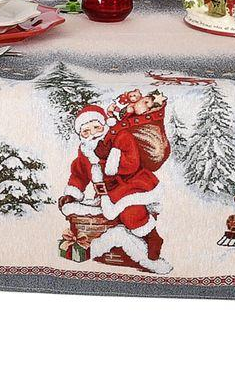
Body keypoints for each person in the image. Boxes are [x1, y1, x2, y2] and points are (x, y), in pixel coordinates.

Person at [58, 104, 172, 274]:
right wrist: (72, 194)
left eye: (96, 127)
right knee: (107, 212)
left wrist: (106, 157)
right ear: (81, 135)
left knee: (131, 211)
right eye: (86, 131)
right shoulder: (85, 152)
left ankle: (151, 236)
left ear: (104, 125)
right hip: (106, 193)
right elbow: (79, 174)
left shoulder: (121, 137)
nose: (92, 134)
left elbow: (132, 163)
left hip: (131, 183)